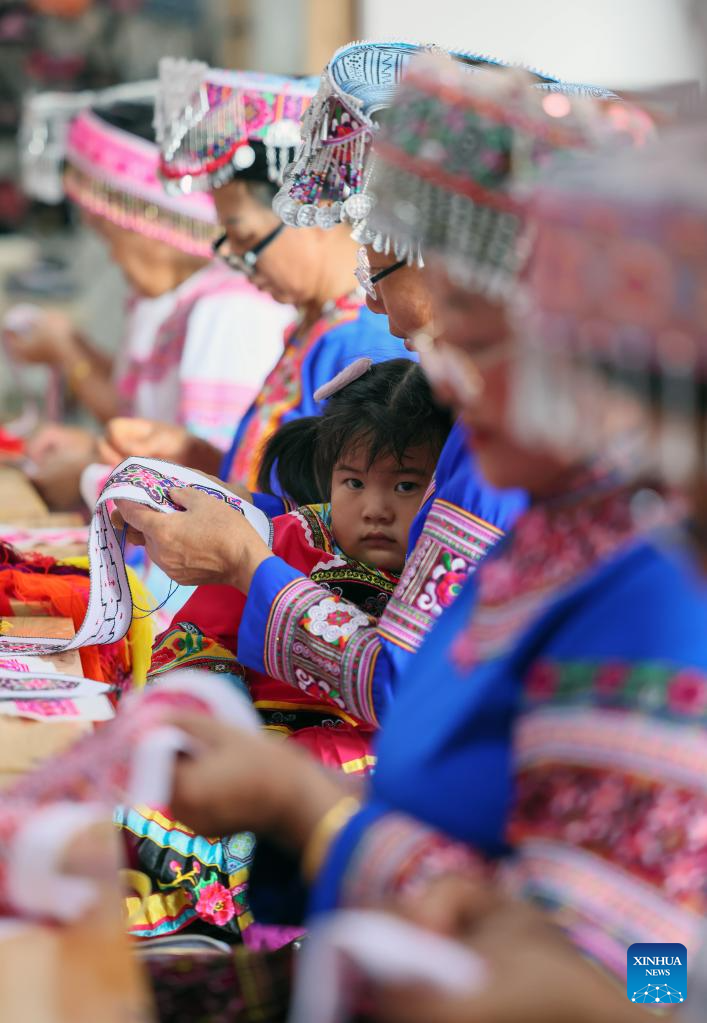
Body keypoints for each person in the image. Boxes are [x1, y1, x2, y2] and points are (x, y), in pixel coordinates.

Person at [112, 57, 687, 970]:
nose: (439, 371)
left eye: (478, 334)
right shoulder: (555, 539)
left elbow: (649, 978)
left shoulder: (652, 591)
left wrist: (302, 810)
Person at [118, 358, 452, 941]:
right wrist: (216, 708)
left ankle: (221, 907)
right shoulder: (291, 540)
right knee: (129, 793)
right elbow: (201, 638)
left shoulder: (450, 572)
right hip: (249, 739)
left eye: (405, 485)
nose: (374, 507)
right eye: (353, 483)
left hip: (354, 765)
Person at [101, 62, 407, 503]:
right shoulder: (318, 324)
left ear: (312, 209)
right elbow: (287, 483)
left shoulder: (362, 339)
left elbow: (338, 517)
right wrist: (195, 455)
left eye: (247, 239)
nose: (243, 264)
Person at [6, 96, 290, 509]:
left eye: (112, 236)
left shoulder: (231, 313)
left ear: (155, 222)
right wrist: (91, 446)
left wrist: (88, 468)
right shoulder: (176, 302)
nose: (112, 257)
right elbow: (144, 423)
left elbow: (209, 485)